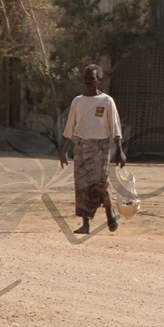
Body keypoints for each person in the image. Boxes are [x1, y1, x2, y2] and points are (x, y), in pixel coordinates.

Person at [59, 64, 127, 234]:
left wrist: (120, 150)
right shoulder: (77, 101)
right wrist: (64, 152)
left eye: (92, 79)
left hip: (101, 147)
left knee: (100, 182)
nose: (88, 82)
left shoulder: (106, 101)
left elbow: (115, 127)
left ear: (99, 80)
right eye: (86, 79)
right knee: (82, 185)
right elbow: (70, 128)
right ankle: (85, 224)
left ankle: (109, 210)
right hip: (81, 147)